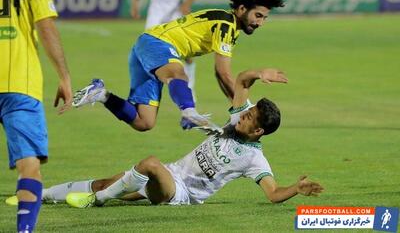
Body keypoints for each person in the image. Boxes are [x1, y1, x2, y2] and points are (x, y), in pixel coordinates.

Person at [26, 68, 323, 208]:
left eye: (249, 117)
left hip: (181, 195)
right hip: (174, 173)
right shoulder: (237, 119)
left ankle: (96, 201)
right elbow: (243, 80)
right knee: (108, 182)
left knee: (150, 164)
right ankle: (43, 195)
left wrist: (296, 188)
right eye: (247, 111)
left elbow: (272, 194)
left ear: (258, 131)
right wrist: (261, 73)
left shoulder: (254, 159)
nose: (243, 114)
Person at [72, 0, 285, 133]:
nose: (260, 23)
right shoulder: (225, 25)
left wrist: (236, 109)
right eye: (258, 16)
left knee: (144, 122)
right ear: (241, 8)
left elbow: (221, 76)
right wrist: (242, 110)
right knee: (178, 75)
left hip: (146, 48)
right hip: (156, 44)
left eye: (264, 18)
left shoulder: (228, 25)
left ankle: (101, 94)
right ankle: (189, 112)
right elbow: (223, 73)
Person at [0, 0, 73, 232]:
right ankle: (24, 230)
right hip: (19, 82)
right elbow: (45, 26)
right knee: (29, 166)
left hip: (18, 84)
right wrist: (64, 76)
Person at [130, 0, 200, 101]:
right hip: (156, 9)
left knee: (187, 53)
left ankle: (190, 88)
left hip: (176, 9)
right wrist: (135, 0)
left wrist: (186, 4)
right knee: (148, 47)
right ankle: (148, 92)